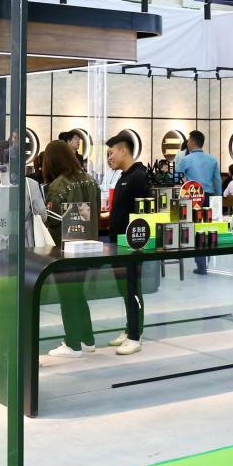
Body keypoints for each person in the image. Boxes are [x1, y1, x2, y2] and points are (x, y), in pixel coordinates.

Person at [41, 140, 99, 357]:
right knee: (78, 293)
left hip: (65, 249)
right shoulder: (91, 181)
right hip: (89, 247)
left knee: (68, 295)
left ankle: (73, 343)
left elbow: (53, 221)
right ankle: (87, 339)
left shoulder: (58, 186)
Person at [104, 132, 149, 355]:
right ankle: (130, 327)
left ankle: (135, 335)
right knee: (125, 288)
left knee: (132, 289)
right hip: (118, 242)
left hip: (132, 245)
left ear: (123, 150)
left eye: (111, 153)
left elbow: (145, 212)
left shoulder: (139, 176)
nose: (109, 158)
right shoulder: (124, 176)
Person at [178, 130, 222, 275]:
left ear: (192, 142)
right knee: (207, 228)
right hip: (209, 197)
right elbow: (217, 181)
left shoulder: (185, 160)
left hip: (193, 197)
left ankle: (201, 264)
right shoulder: (212, 159)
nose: (187, 143)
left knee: (196, 229)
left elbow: (176, 177)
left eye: (188, 140)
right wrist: (218, 199)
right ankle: (205, 261)